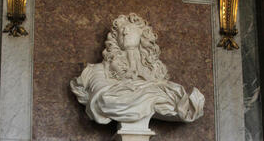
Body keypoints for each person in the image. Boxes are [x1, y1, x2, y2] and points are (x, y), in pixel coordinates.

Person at [70, 13, 204, 126]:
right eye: (121, 31)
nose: (125, 32)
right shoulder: (97, 71)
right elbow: (103, 99)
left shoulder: (159, 77)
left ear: (143, 35)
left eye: (130, 29)